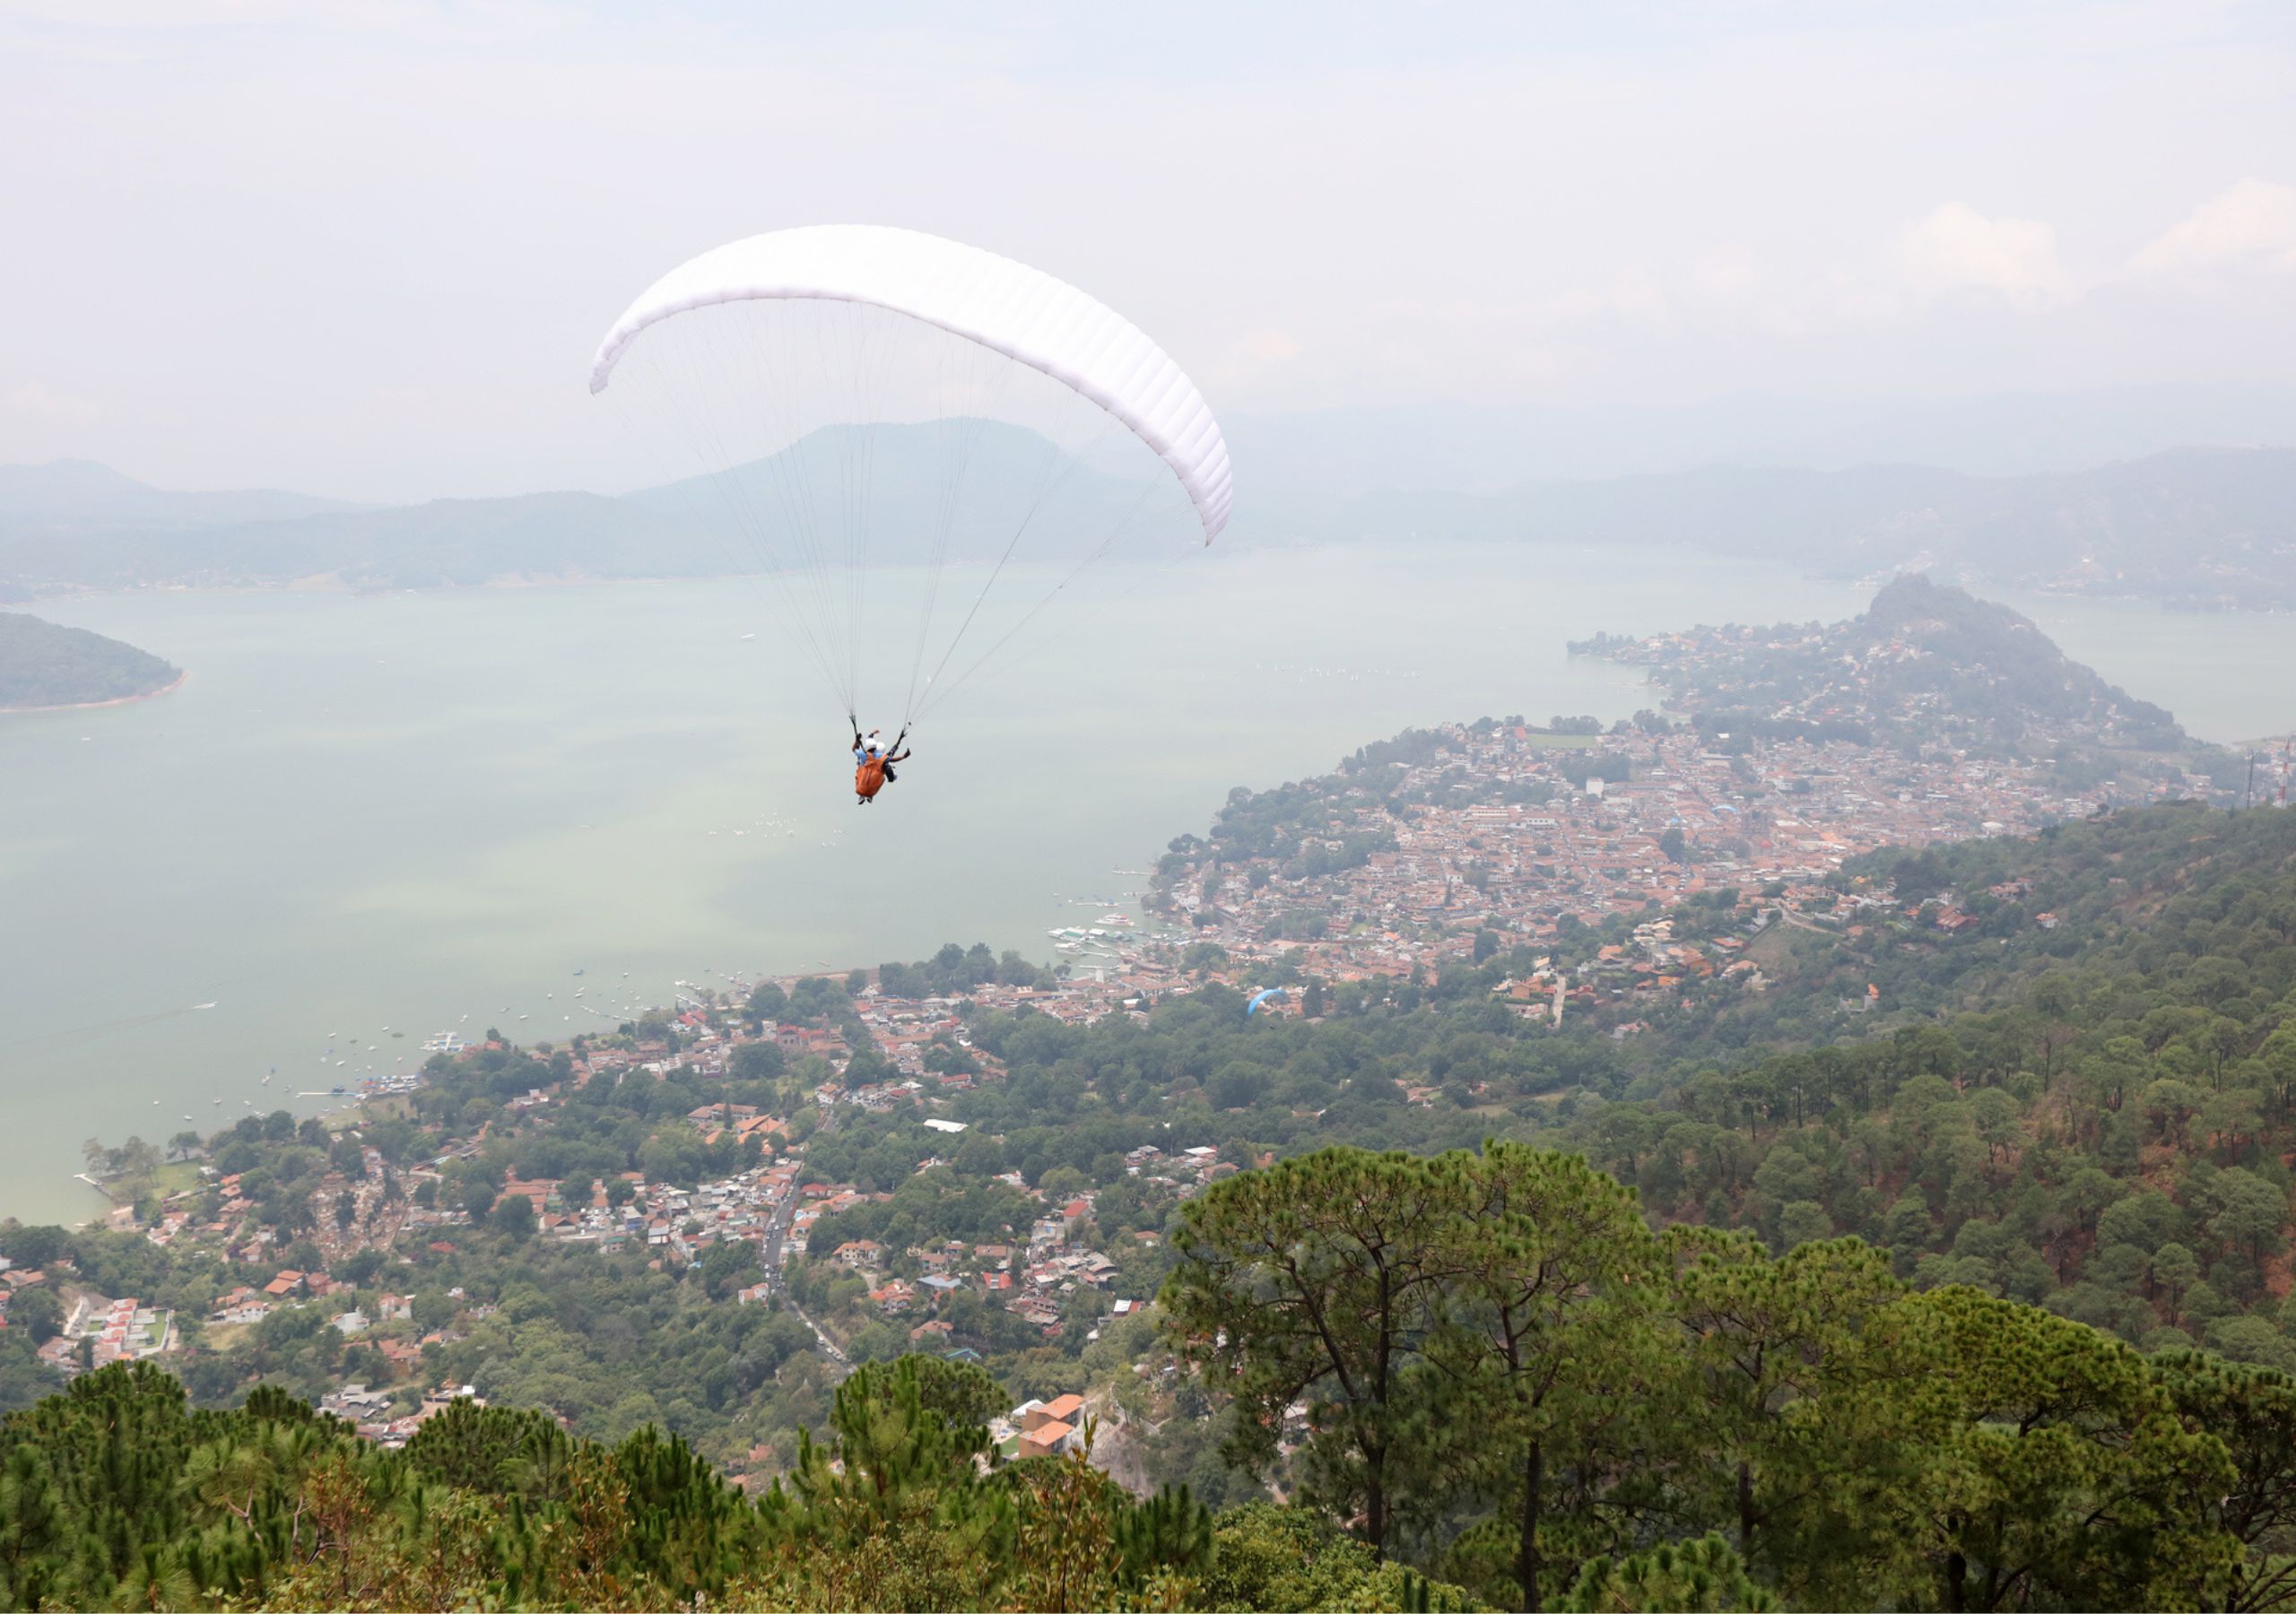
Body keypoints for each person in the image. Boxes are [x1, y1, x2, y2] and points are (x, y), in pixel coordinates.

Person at [851, 725, 913, 804]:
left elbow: (855, 748)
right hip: (872, 791)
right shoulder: (883, 757)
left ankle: (862, 796)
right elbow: (893, 752)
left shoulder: (864, 754)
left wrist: (857, 740)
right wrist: (903, 755)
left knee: (860, 770)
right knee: (882, 776)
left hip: (861, 787)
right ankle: (870, 796)